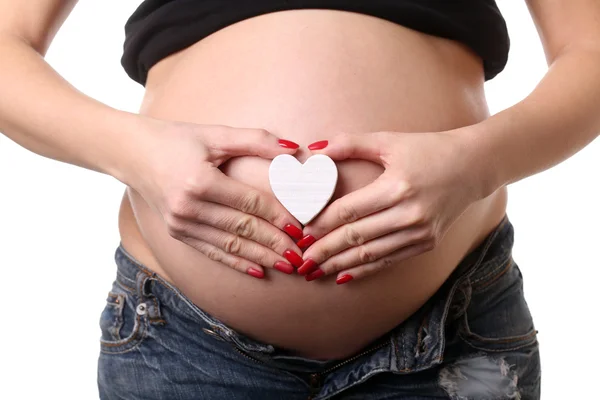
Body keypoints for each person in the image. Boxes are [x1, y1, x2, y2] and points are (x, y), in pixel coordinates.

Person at [1, 1, 599, 399]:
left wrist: (477, 164)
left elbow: (591, 49)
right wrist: (137, 155)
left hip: (448, 333)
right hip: (183, 342)